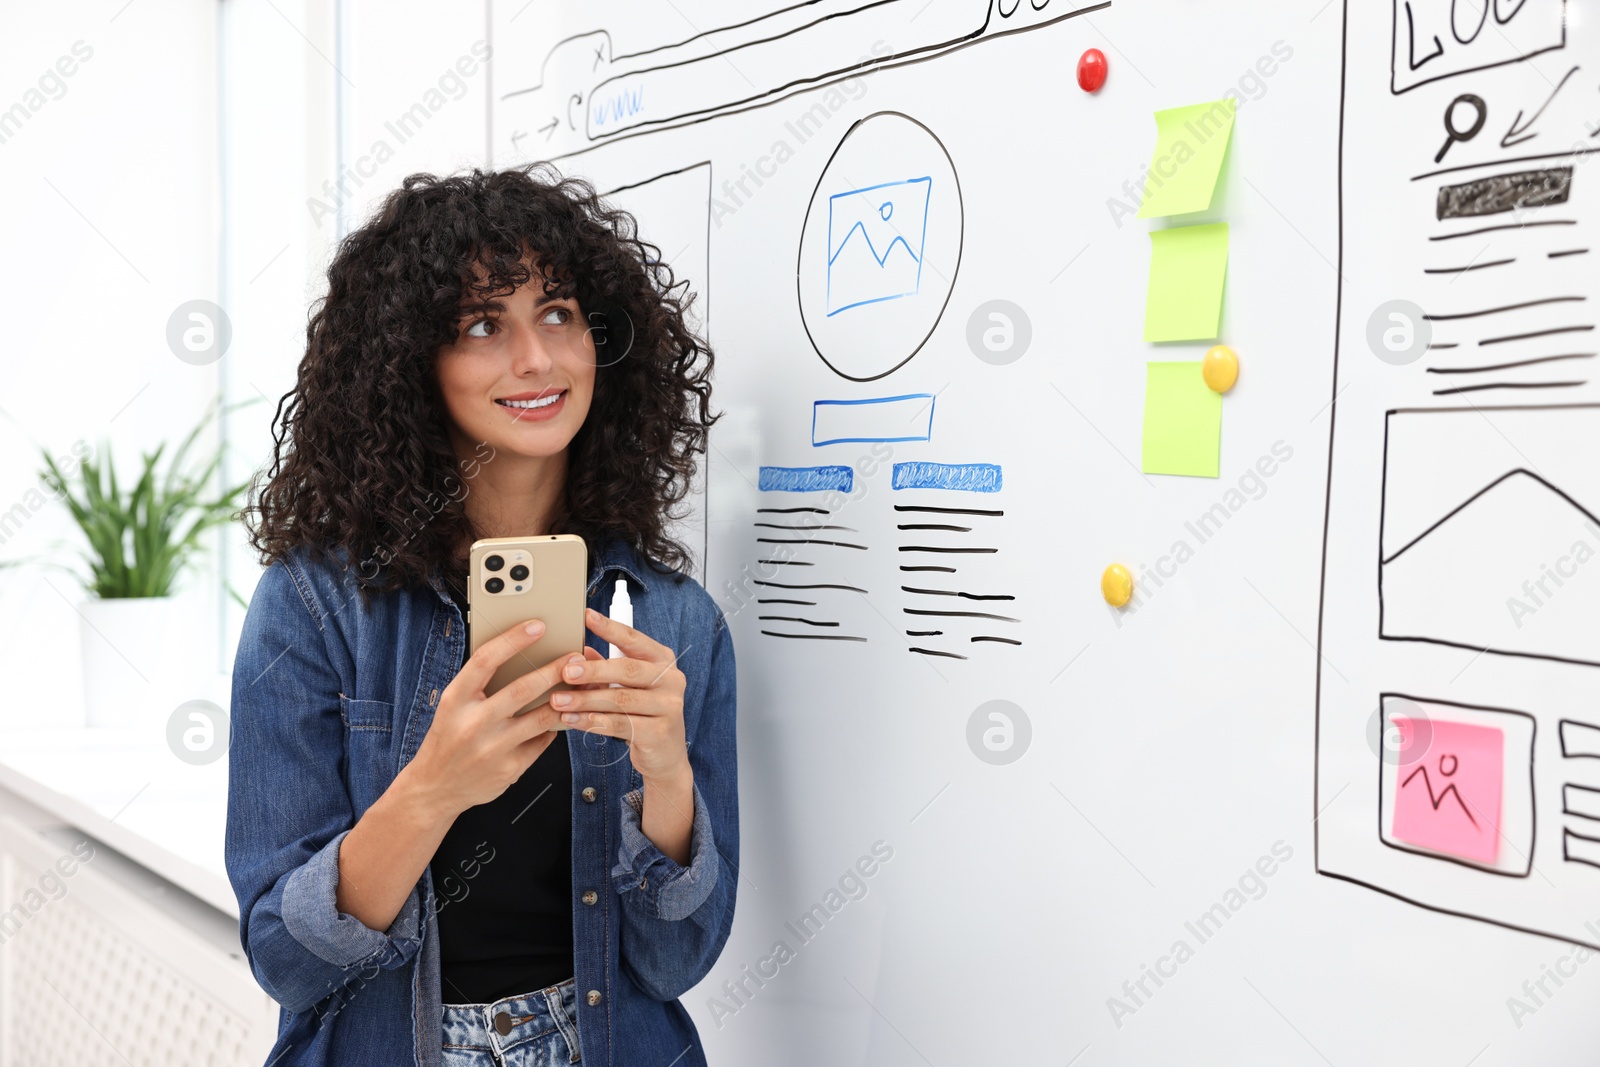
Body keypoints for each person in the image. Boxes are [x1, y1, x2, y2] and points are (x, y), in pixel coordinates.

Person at [226, 164, 737, 1067]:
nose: (535, 359)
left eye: (558, 312)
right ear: (410, 364)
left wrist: (666, 777)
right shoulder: (313, 607)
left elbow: (675, 957)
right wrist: (434, 786)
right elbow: (286, 957)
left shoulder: (677, 624)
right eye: (480, 325)